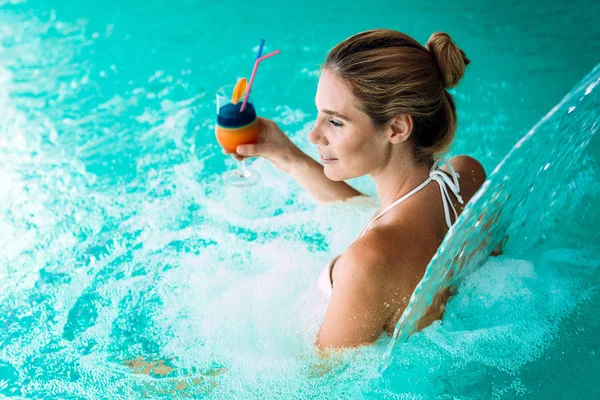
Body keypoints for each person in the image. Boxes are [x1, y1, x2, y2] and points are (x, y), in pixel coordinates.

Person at [224, 29, 487, 349]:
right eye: (319, 114)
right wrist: (289, 158)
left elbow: (315, 381)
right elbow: (380, 215)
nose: (313, 135)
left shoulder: (368, 261)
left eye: (335, 122)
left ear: (397, 128)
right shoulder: (466, 178)